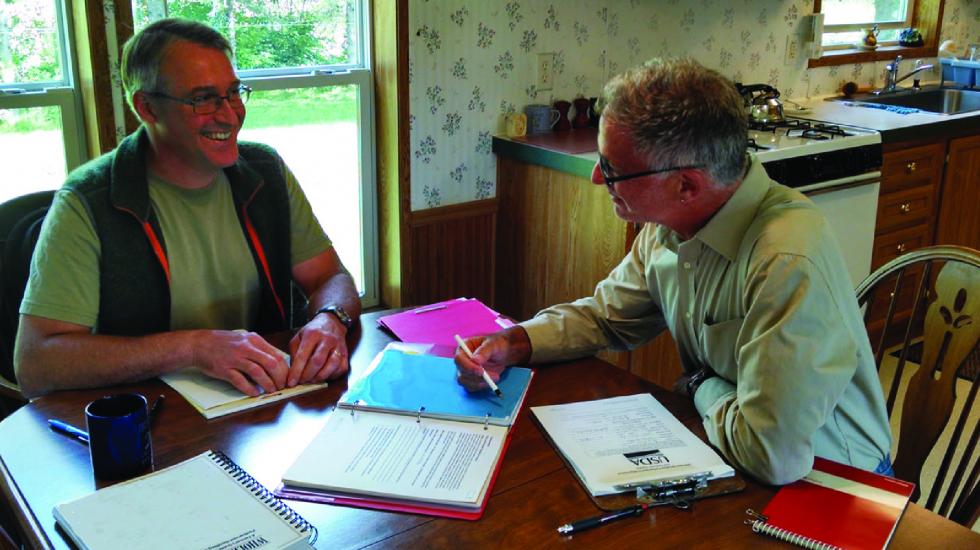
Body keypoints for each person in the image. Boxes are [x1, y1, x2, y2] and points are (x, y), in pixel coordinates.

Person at [455, 58, 892, 486]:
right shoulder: (670, 225)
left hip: (833, 483)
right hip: (733, 453)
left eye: (611, 169)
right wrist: (514, 342)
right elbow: (607, 317)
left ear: (686, 185)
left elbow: (772, 454)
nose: (594, 178)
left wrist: (701, 384)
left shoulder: (786, 258)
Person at [15, 18, 360, 398]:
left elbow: (330, 277)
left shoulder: (266, 172)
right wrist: (193, 348)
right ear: (147, 108)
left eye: (233, 92)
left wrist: (331, 320)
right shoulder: (87, 201)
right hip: (150, 424)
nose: (229, 114)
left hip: (266, 406)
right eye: (203, 98)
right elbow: (36, 363)